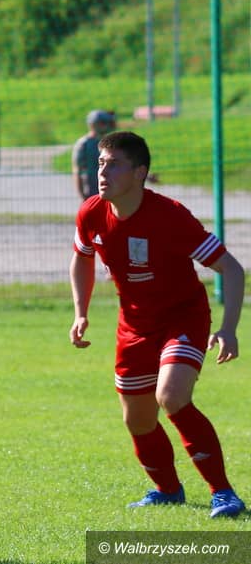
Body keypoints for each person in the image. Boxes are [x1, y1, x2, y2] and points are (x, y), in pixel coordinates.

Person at [69, 131, 245, 518]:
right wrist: (81, 311)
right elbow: (82, 257)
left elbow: (231, 269)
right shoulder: (92, 213)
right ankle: (167, 490)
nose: (103, 172)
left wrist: (229, 327)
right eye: (101, 163)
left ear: (139, 173)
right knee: (138, 418)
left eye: (114, 164)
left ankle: (224, 493)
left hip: (182, 317)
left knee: (171, 395)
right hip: (134, 326)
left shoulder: (170, 216)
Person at [72, 110, 115, 200]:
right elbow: (77, 171)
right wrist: (82, 196)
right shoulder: (84, 144)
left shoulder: (110, 142)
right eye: (103, 123)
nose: (107, 125)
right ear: (93, 125)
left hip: (110, 191)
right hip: (91, 191)